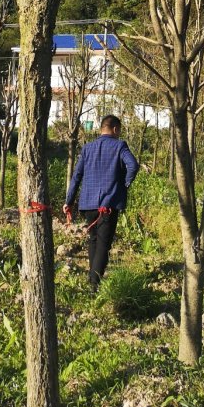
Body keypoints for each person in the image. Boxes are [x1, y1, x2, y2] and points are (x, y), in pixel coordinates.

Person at [62, 114, 139, 291]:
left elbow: (77, 176)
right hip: (108, 204)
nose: (119, 134)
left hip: (88, 203)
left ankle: (93, 280)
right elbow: (133, 166)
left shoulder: (88, 148)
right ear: (114, 129)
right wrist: (124, 184)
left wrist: (69, 201)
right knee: (103, 244)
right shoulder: (120, 146)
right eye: (119, 130)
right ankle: (94, 284)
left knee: (94, 240)